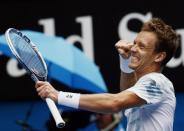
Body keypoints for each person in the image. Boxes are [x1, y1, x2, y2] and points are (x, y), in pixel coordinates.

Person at [35, 18, 179, 131]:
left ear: (159, 57)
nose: (133, 48)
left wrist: (58, 95)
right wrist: (125, 61)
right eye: (135, 43)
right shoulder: (145, 86)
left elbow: (115, 103)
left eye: (142, 46)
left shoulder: (157, 82)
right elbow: (127, 91)